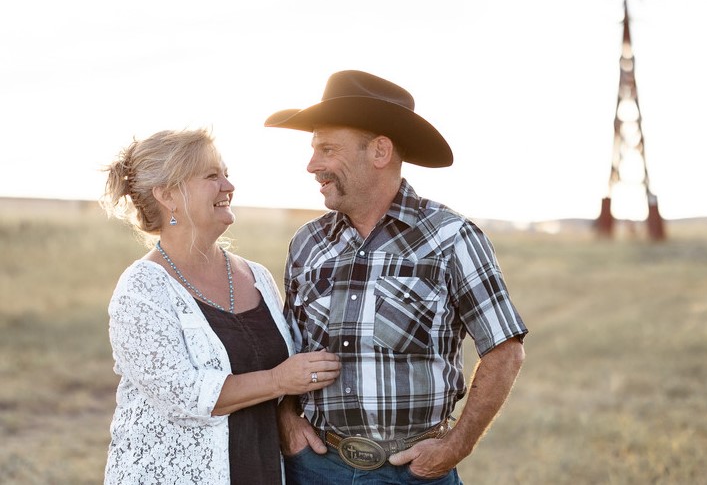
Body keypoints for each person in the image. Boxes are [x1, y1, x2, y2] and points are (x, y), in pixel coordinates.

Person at [264, 70, 528, 484]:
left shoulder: (451, 237)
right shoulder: (307, 243)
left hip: (412, 473)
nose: (312, 165)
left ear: (380, 151)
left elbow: (505, 349)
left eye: (327, 149)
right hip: (314, 466)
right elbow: (289, 349)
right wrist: (285, 419)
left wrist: (456, 445)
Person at [99, 128, 341, 485]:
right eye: (212, 176)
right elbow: (185, 396)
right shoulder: (142, 289)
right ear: (168, 196)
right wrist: (279, 380)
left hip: (260, 471)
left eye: (226, 174)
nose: (228, 186)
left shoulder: (256, 276)